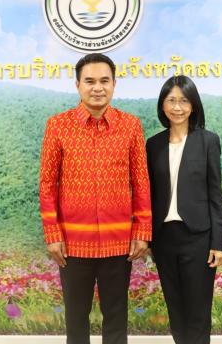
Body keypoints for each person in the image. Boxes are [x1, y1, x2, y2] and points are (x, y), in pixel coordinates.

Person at [39, 53, 152, 344]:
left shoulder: (130, 125)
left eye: (104, 81)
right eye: (89, 81)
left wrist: (142, 231)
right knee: (76, 317)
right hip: (72, 242)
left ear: (114, 84)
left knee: (116, 316)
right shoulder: (58, 125)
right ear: (77, 85)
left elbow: (141, 182)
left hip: (119, 242)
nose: (97, 87)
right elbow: (47, 184)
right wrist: (52, 234)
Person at [146, 75, 222, 344]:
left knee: (198, 312)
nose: (177, 107)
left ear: (193, 105)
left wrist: (218, 243)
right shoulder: (153, 144)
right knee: (176, 310)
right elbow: (150, 195)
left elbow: (215, 195)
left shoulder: (208, 141)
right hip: (164, 239)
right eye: (171, 100)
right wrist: (147, 238)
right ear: (162, 105)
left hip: (198, 239)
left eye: (184, 100)